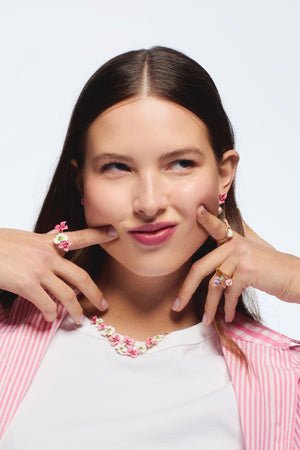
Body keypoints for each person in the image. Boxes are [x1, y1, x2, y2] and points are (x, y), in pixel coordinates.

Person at [0, 46, 299, 450]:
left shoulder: (285, 376)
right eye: (116, 167)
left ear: (223, 174)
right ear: (80, 182)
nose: (149, 202)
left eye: (180, 164)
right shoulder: (9, 334)